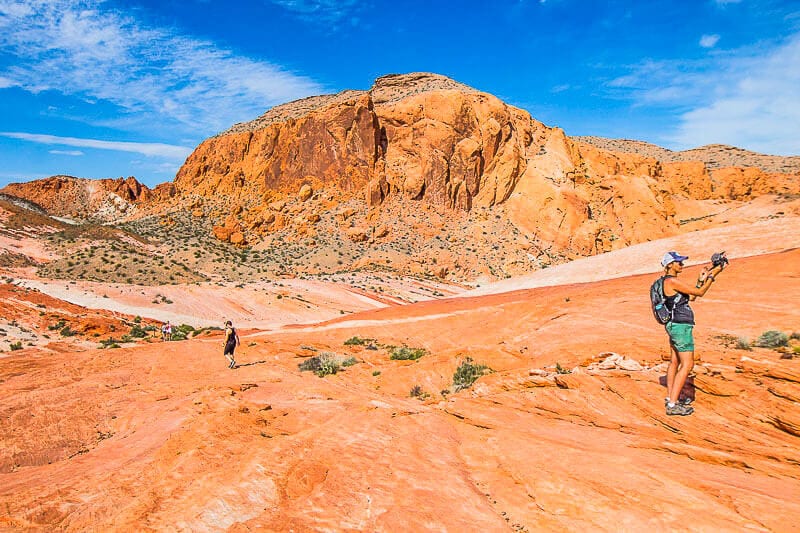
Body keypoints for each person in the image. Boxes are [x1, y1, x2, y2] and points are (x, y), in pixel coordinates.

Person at [660, 251, 726, 416]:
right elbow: (700, 293)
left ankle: (670, 398)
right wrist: (712, 276)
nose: (682, 265)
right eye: (679, 262)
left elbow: (692, 297)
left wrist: (704, 277)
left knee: (674, 362)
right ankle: (673, 405)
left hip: (674, 325)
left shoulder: (668, 282)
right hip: (681, 327)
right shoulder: (672, 281)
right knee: (687, 364)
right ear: (670, 265)